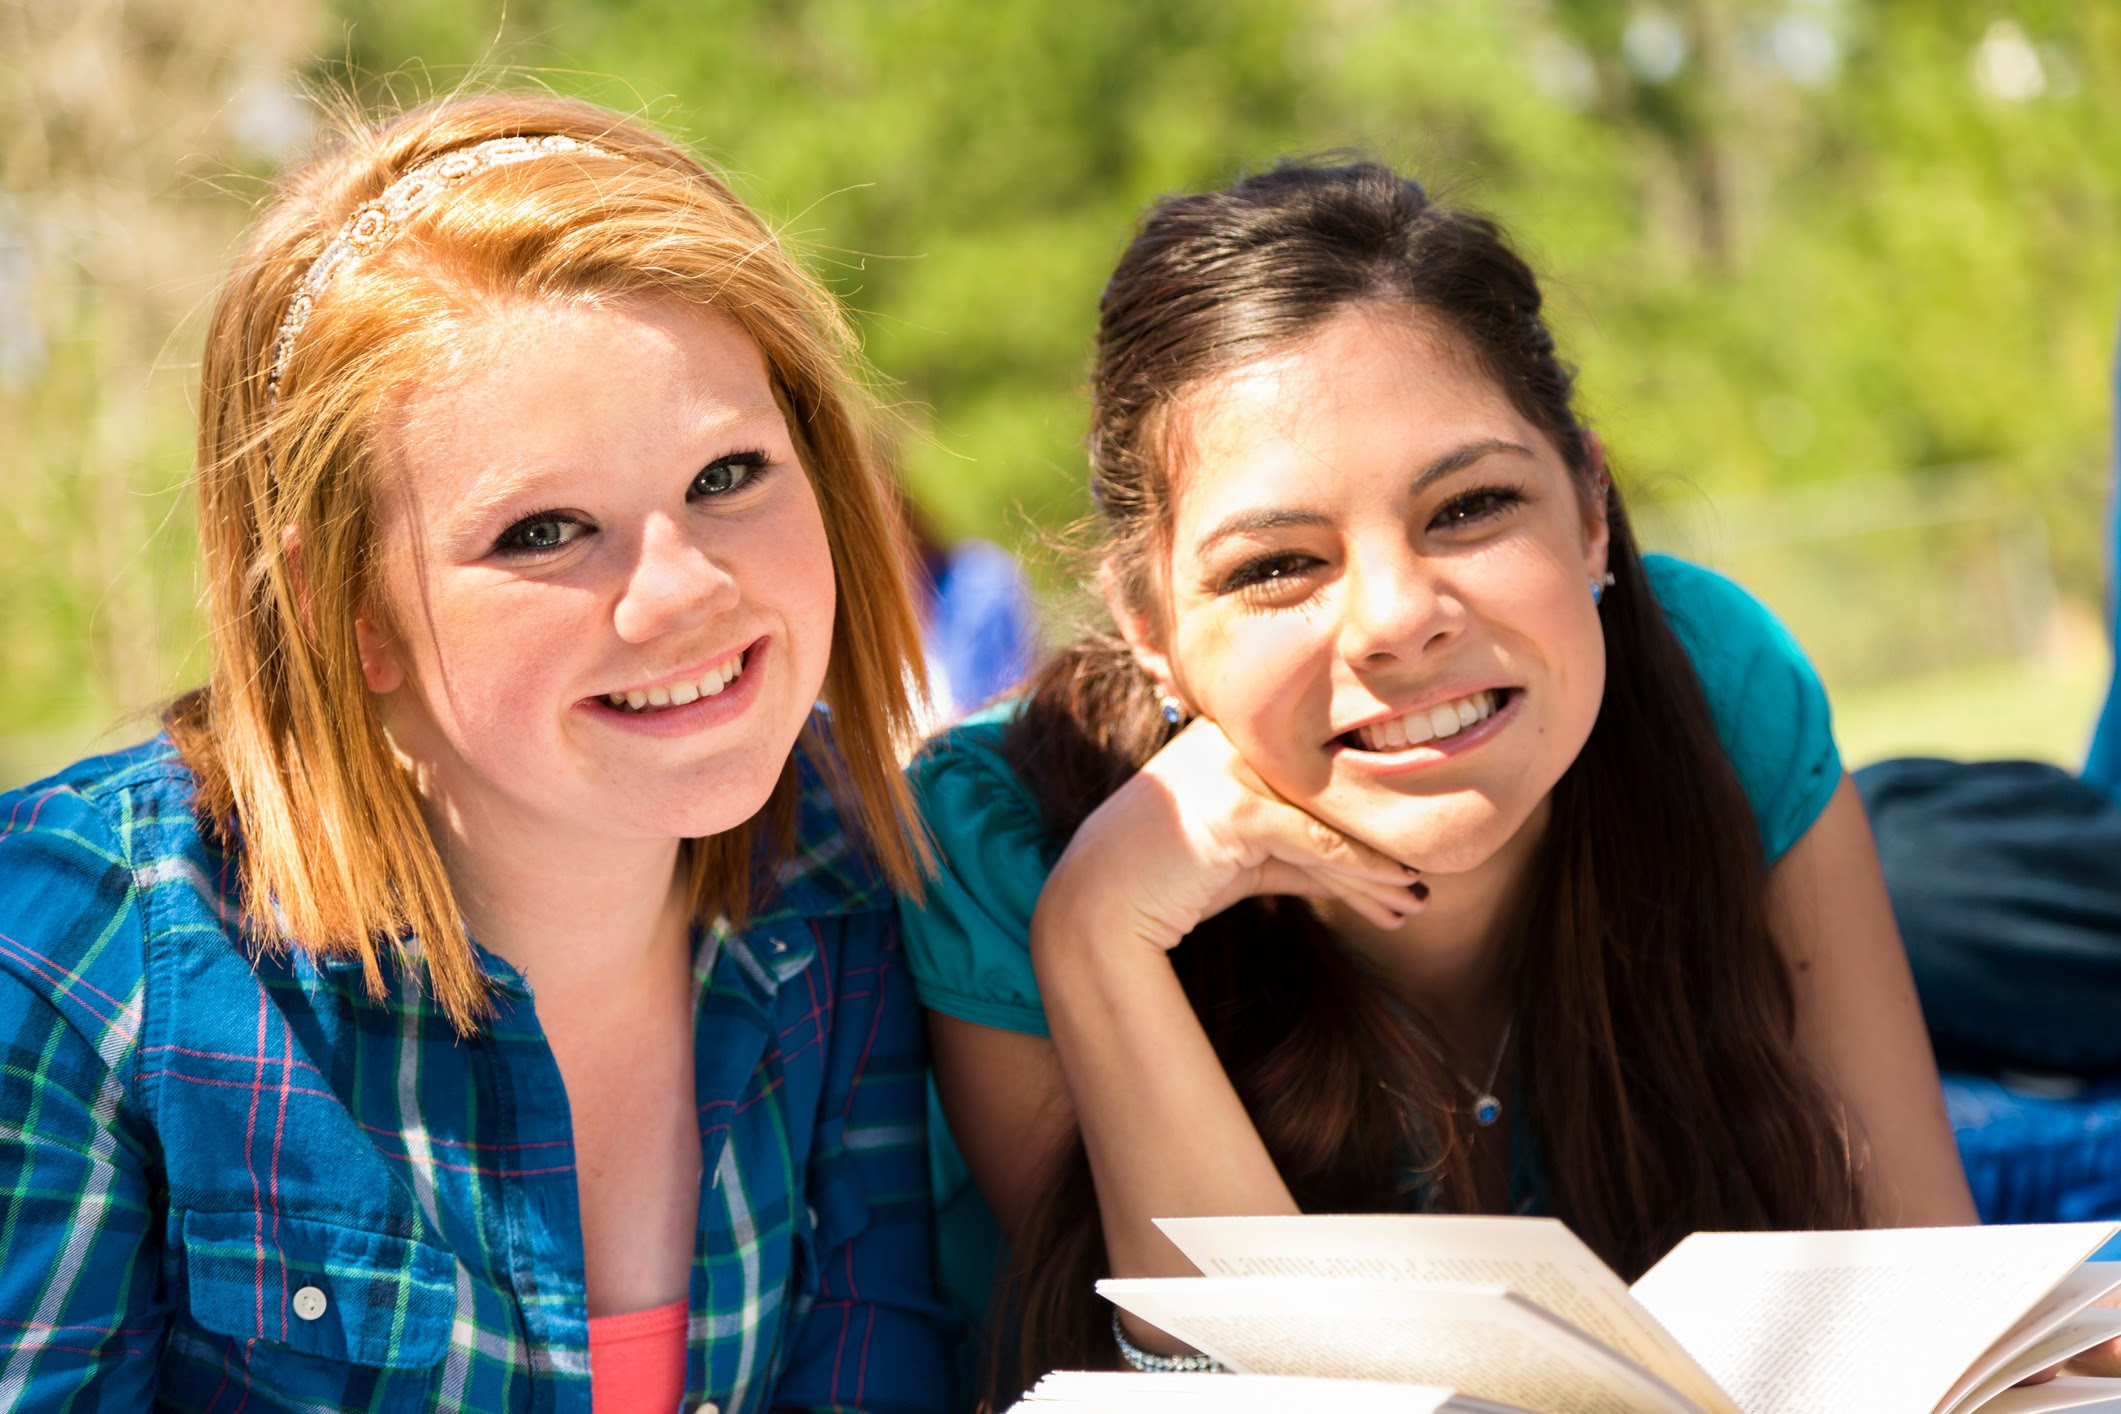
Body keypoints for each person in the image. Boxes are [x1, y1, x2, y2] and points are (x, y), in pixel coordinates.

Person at [898, 160, 1985, 1393]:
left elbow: (1935, 1320)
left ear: (1588, 508)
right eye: (1274, 568)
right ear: (1149, 628)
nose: (1399, 618)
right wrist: (1100, 933)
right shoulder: (1000, 837)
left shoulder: (1715, 682)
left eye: (1469, 507)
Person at [0, 94, 950, 1413]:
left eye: (727, 476)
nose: (683, 591)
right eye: (546, 530)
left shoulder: (846, 868)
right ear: (348, 613)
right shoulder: (68, 954)